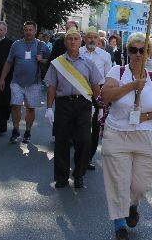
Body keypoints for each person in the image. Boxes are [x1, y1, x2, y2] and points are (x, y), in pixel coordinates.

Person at [101, 32, 152, 240]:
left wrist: (145, 116)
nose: (138, 54)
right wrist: (131, 86)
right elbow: (105, 95)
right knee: (118, 181)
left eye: (142, 50)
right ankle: (119, 223)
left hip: (145, 135)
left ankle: (132, 204)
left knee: (141, 184)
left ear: (148, 52)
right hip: (117, 134)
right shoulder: (117, 71)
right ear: (127, 51)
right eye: (133, 50)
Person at [44, 27, 102, 189]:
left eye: (76, 39)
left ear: (80, 41)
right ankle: (61, 177)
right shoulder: (57, 63)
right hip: (63, 104)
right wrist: (49, 108)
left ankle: (79, 175)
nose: (73, 42)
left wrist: (100, 107)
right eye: (70, 39)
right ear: (65, 42)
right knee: (61, 141)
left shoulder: (89, 63)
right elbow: (51, 87)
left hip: (83, 105)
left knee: (84, 140)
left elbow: (96, 86)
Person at [0, 21, 50, 144]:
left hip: (34, 83)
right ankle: (15, 130)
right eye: (26, 30)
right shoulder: (16, 45)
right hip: (17, 82)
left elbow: (50, 62)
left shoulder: (42, 45)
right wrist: (2, 78)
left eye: (30, 30)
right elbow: (9, 62)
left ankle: (27, 131)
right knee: (15, 106)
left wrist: (42, 60)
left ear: (35, 31)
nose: (28, 32)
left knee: (30, 109)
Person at [80, 27, 113, 170]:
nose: (92, 39)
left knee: (94, 128)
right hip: (80, 91)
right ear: (85, 39)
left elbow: (109, 78)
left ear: (99, 40)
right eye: (89, 37)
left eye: (95, 37)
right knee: (79, 127)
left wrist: (104, 99)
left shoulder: (105, 56)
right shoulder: (78, 52)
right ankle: (79, 154)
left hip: (97, 94)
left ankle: (88, 158)